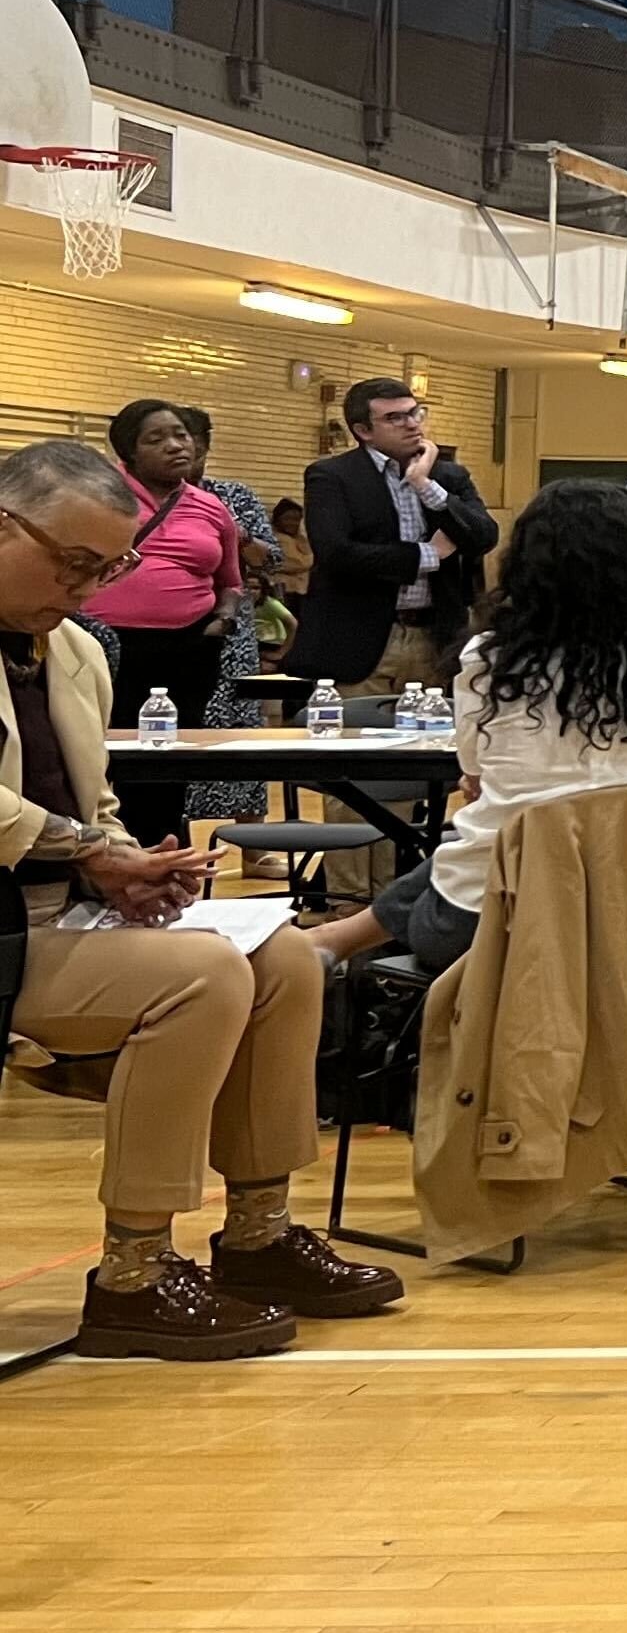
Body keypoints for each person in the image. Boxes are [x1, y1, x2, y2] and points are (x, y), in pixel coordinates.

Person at [0, 439, 388, 1361]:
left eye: (106, 570)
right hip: (7, 927)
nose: (86, 590)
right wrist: (92, 852)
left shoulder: (76, 653)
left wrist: (139, 865)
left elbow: (94, 804)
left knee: (285, 954)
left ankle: (257, 1231)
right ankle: (132, 1271)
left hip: (58, 911)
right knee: (199, 976)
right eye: (71, 564)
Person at [303, 479, 627, 976]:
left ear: (526, 573)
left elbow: (474, 778)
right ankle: (336, 937)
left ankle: (336, 937)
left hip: (494, 920)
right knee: (516, 834)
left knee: (492, 838)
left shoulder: (490, 667)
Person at [82, 400, 248, 843]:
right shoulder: (98, 493)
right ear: (129, 453)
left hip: (189, 648)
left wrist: (223, 622)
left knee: (167, 762)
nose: (176, 445)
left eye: (180, 434)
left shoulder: (210, 507)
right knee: (93, 758)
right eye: (156, 439)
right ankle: (102, 855)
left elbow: (231, 581)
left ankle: (161, 855)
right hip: (104, 646)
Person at [298, 376, 498, 709]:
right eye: (395, 418)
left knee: (428, 744)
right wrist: (426, 556)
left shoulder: (448, 476)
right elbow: (337, 553)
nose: (411, 425)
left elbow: (484, 536)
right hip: (364, 639)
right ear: (363, 431)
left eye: (414, 413)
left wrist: (424, 485)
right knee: (356, 744)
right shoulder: (332, 476)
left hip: (433, 636)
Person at [170, 405, 287, 842]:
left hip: (231, 628)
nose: (182, 453)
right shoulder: (140, 497)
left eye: (192, 445)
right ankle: (173, 841)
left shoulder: (233, 495)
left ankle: (253, 844)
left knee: (240, 732)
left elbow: (272, 558)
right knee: (174, 729)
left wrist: (233, 532)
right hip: (171, 628)